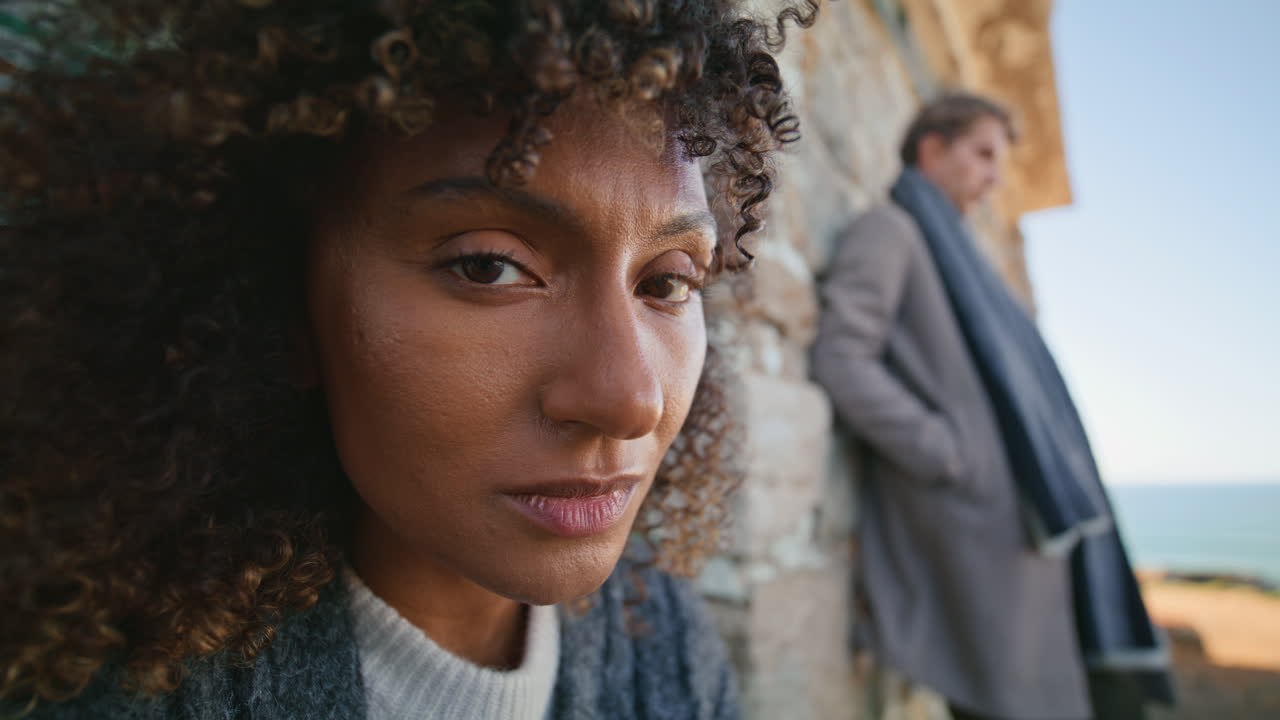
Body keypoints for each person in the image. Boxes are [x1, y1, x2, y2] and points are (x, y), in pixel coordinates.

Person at [0, 1, 820, 717]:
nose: (629, 398)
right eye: (488, 266)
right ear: (283, 300)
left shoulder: (669, 651)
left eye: (668, 282)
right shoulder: (122, 692)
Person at [811, 92, 1173, 720]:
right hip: (972, 545)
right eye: (982, 154)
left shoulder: (961, 259)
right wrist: (952, 453)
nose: (994, 178)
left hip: (1016, 542)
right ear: (932, 148)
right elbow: (843, 359)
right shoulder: (891, 231)